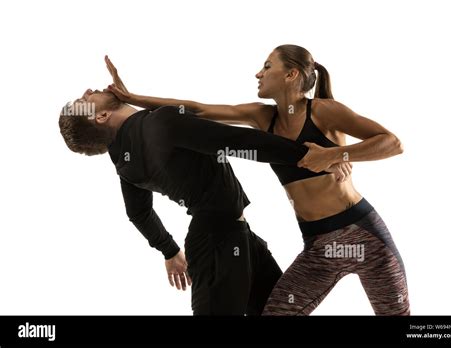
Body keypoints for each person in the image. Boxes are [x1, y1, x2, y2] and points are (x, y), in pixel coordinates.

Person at [105, 44, 410, 316]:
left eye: (267, 66)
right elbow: (195, 110)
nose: (258, 74)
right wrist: (131, 97)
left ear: (291, 74)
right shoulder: (263, 118)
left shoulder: (324, 112)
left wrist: (338, 154)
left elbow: (392, 143)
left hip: (364, 236)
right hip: (317, 246)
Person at [58, 83, 350, 315]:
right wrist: (312, 156)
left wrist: (170, 252)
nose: (87, 91)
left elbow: (138, 213)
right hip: (217, 244)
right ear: (101, 116)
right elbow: (237, 142)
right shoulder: (159, 124)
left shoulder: (123, 161)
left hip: (233, 238)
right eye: (84, 100)